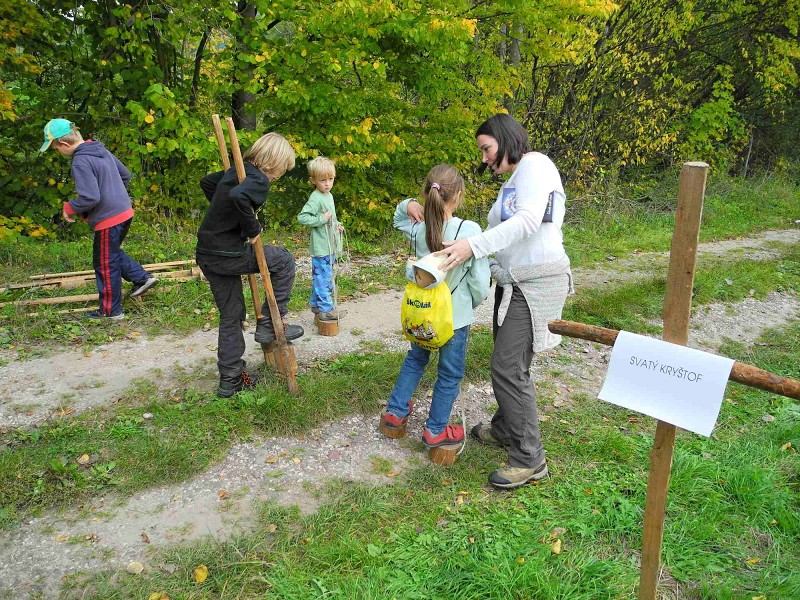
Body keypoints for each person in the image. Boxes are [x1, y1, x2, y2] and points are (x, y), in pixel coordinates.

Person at [435, 114, 574, 489]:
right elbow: (501, 232)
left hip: (536, 284)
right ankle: (505, 428)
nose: (483, 158)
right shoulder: (512, 181)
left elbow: (528, 221)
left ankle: (530, 458)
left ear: (506, 139)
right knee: (510, 363)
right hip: (512, 282)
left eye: (486, 149)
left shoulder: (536, 165)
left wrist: (472, 247)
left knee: (508, 368)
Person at [381, 164, 490, 449]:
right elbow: (479, 282)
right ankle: (435, 431)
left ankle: (394, 414)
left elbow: (397, 217)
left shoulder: (418, 228)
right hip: (454, 317)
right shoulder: (469, 230)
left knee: (415, 359)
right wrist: (473, 303)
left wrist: (409, 204)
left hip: (424, 315)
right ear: (458, 196)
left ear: (427, 194)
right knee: (450, 373)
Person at [196, 132, 304, 398]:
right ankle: (269, 323)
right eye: (281, 169)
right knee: (284, 260)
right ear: (272, 162)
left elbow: (208, 183)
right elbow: (239, 198)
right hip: (227, 254)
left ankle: (230, 381)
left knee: (231, 314)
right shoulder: (257, 178)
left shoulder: (238, 171)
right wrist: (251, 227)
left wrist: (224, 216)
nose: (279, 175)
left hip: (207, 253)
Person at [40, 118, 158, 319]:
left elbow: (89, 197)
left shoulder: (80, 161)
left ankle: (111, 311)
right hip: (124, 212)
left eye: (55, 148)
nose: (57, 152)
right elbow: (125, 175)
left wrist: (69, 207)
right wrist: (114, 196)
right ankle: (142, 278)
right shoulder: (99, 149)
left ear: (64, 144)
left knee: (105, 262)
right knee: (107, 255)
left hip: (109, 218)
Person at [297, 156, 346, 321]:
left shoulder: (329, 196)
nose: (327, 183)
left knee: (324, 276)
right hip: (321, 248)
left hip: (330, 245)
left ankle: (316, 304)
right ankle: (326, 310)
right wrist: (322, 219)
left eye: (330, 179)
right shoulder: (316, 198)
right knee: (324, 278)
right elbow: (303, 217)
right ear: (313, 180)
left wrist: (337, 224)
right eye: (323, 180)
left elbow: (331, 216)